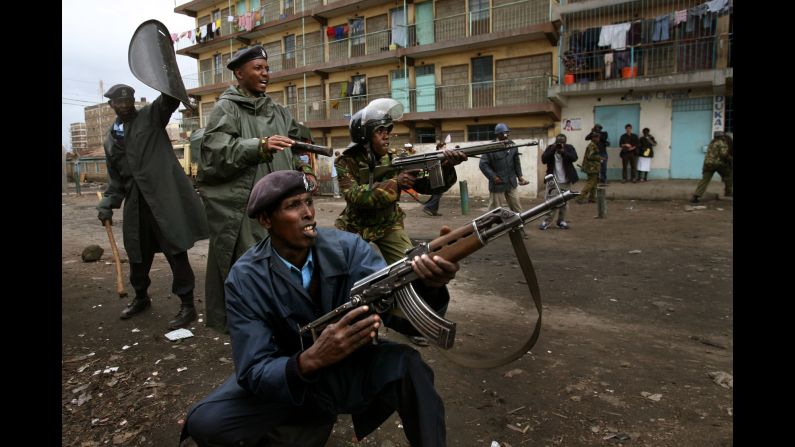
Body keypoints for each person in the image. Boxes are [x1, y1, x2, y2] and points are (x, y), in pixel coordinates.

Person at [181, 170, 460, 447]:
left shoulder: (350, 248)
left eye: (309, 202)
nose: (308, 213)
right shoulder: (245, 277)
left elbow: (401, 317)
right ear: (266, 220)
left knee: (410, 367)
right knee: (207, 422)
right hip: (292, 376)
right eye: (293, 206)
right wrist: (309, 360)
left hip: (351, 366)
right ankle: (304, 424)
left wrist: (429, 286)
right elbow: (254, 367)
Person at [196, 44, 316, 333]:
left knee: (291, 259)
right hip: (249, 208)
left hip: (285, 206)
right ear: (239, 73)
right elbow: (214, 152)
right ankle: (255, 330)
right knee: (255, 268)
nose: (265, 73)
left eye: (266, 68)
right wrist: (259, 146)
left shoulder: (278, 111)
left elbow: (300, 144)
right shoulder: (227, 108)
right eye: (258, 68)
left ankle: (292, 324)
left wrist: (306, 170)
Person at [96, 84, 208, 329]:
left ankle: (187, 304)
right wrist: (107, 203)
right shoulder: (110, 139)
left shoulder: (151, 116)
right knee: (137, 254)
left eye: (129, 100)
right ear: (111, 105)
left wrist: (164, 63)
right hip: (136, 204)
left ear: (134, 101)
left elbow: (170, 98)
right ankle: (141, 298)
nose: (125, 105)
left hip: (163, 200)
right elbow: (116, 180)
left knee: (175, 251)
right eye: (119, 102)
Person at [334, 98, 466, 265]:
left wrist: (446, 167)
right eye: (379, 131)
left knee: (409, 267)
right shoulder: (345, 161)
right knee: (337, 267)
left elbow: (426, 187)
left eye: (387, 130)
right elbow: (354, 196)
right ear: (365, 136)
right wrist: (396, 183)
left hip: (388, 223)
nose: (386, 135)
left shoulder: (396, 158)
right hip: (353, 223)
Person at [479, 123, 530, 214]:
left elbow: (516, 162)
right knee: (495, 209)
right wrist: (494, 177)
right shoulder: (490, 147)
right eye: (503, 133)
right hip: (498, 183)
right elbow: (483, 164)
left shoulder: (512, 145)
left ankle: (518, 223)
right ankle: (489, 225)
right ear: (498, 135)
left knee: (516, 206)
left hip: (511, 181)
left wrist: (520, 177)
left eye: (507, 133)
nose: (506, 135)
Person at [539, 134, 578, 230]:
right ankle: (546, 221)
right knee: (551, 202)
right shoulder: (551, 148)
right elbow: (544, 160)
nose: (560, 144)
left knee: (564, 202)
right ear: (555, 142)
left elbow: (574, 158)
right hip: (553, 180)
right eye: (558, 142)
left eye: (562, 142)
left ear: (565, 142)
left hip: (566, 180)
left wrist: (563, 152)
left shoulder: (569, 148)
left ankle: (561, 221)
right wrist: (553, 150)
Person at [690, 132, 733, 203]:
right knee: (729, 176)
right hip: (719, 164)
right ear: (722, 137)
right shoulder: (721, 142)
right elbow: (724, 154)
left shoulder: (712, 143)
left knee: (705, 180)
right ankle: (728, 192)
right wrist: (731, 159)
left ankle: (696, 196)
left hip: (707, 164)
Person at [577, 131, 605, 204]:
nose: (598, 139)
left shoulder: (593, 145)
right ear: (593, 138)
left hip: (594, 167)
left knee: (594, 183)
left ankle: (592, 198)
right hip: (592, 168)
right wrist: (600, 158)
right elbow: (590, 156)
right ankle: (580, 197)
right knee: (590, 183)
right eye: (597, 137)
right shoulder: (592, 145)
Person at [422, 142, 447, 217]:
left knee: (437, 193)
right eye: (444, 147)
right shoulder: (437, 154)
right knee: (438, 192)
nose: (445, 148)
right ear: (439, 148)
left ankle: (433, 210)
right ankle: (428, 207)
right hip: (435, 176)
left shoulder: (440, 154)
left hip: (438, 176)